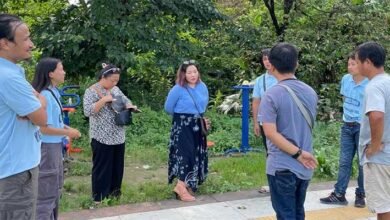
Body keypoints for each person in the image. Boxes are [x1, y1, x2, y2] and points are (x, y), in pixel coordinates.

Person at [259, 43, 318, 220]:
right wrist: (301, 155)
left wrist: (297, 153)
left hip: (281, 165)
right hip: (305, 165)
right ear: (296, 64)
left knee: (285, 214)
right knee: (298, 211)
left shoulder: (271, 95)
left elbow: (270, 133)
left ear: (272, 65)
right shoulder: (310, 92)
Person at [0, 13, 47, 219]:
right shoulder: (8, 77)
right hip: (15, 173)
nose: (32, 44)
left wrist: (35, 105)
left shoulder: (13, 71)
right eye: (26, 38)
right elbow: (42, 119)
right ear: (5, 43)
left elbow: (37, 109)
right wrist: (37, 104)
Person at [31, 57, 81, 219]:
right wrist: (68, 133)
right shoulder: (44, 95)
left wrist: (68, 129)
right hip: (47, 148)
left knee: (55, 189)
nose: (64, 72)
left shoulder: (54, 92)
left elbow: (56, 122)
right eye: (61, 69)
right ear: (51, 73)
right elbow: (44, 128)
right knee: (46, 193)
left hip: (55, 147)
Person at [83, 63, 138, 203]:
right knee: (102, 168)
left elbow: (125, 100)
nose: (114, 83)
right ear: (103, 77)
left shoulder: (116, 89)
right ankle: (99, 198)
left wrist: (130, 106)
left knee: (117, 167)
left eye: (116, 80)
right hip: (101, 137)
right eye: (112, 80)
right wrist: (103, 100)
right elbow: (88, 111)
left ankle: (114, 195)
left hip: (118, 135)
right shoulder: (91, 91)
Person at [320, 53, 368, 208]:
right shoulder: (346, 79)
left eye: (353, 64)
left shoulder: (369, 83)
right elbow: (345, 99)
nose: (350, 67)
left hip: (362, 126)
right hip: (347, 125)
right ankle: (339, 193)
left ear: (361, 65)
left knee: (362, 162)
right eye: (348, 64)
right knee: (344, 161)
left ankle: (361, 194)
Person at [164, 60, 209, 202]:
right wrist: (184, 116)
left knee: (196, 154)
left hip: (197, 124)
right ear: (183, 74)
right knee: (185, 155)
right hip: (182, 126)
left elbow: (204, 105)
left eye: (195, 71)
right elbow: (168, 108)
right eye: (189, 72)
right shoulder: (178, 89)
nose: (192, 75)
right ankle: (180, 186)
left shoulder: (202, 87)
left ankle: (189, 183)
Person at [355, 41, 390, 220]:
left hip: (380, 157)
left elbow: (376, 116)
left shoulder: (374, 86)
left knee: (383, 207)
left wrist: (374, 146)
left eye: (357, 61)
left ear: (367, 62)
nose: (356, 65)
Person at [252, 48, 277, 154]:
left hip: (281, 120)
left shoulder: (282, 77)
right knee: (269, 151)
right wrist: (256, 123)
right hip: (265, 121)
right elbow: (256, 102)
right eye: (265, 59)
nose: (267, 62)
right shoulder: (259, 80)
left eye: (270, 59)